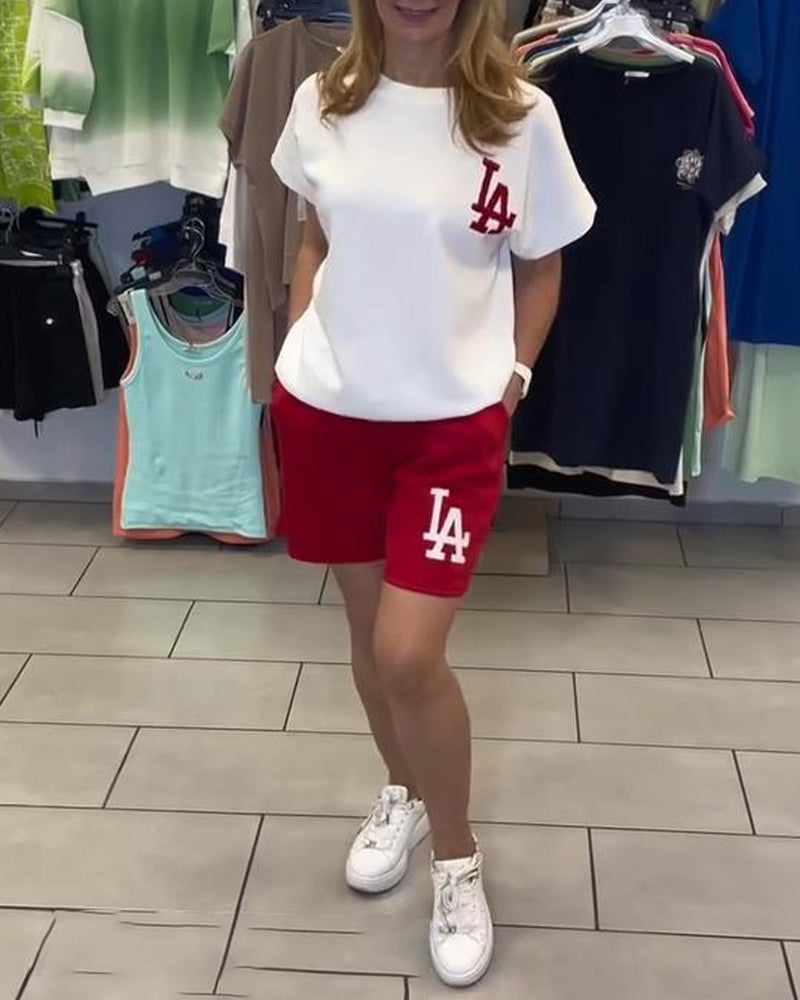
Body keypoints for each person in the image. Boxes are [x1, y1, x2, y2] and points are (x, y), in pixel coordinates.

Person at [270, 0, 595, 987]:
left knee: (410, 654)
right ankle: (401, 794)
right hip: (329, 416)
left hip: (449, 429)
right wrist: (301, 343)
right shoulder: (322, 100)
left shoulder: (521, 117)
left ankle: (457, 859)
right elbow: (315, 238)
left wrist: (511, 382)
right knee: (368, 638)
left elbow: (540, 269)